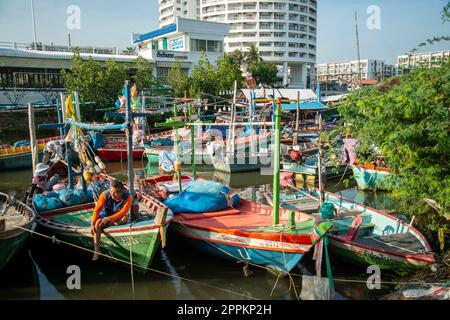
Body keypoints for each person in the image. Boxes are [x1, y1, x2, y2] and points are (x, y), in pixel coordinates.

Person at [91, 179, 132, 261]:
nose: (112, 194)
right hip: (106, 213)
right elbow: (97, 209)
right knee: (97, 223)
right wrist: (93, 222)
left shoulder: (128, 197)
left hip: (118, 215)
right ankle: (97, 249)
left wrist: (109, 219)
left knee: (124, 218)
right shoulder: (104, 195)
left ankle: (110, 224)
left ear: (121, 192)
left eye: (115, 192)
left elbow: (123, 212)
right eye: (111, 191)